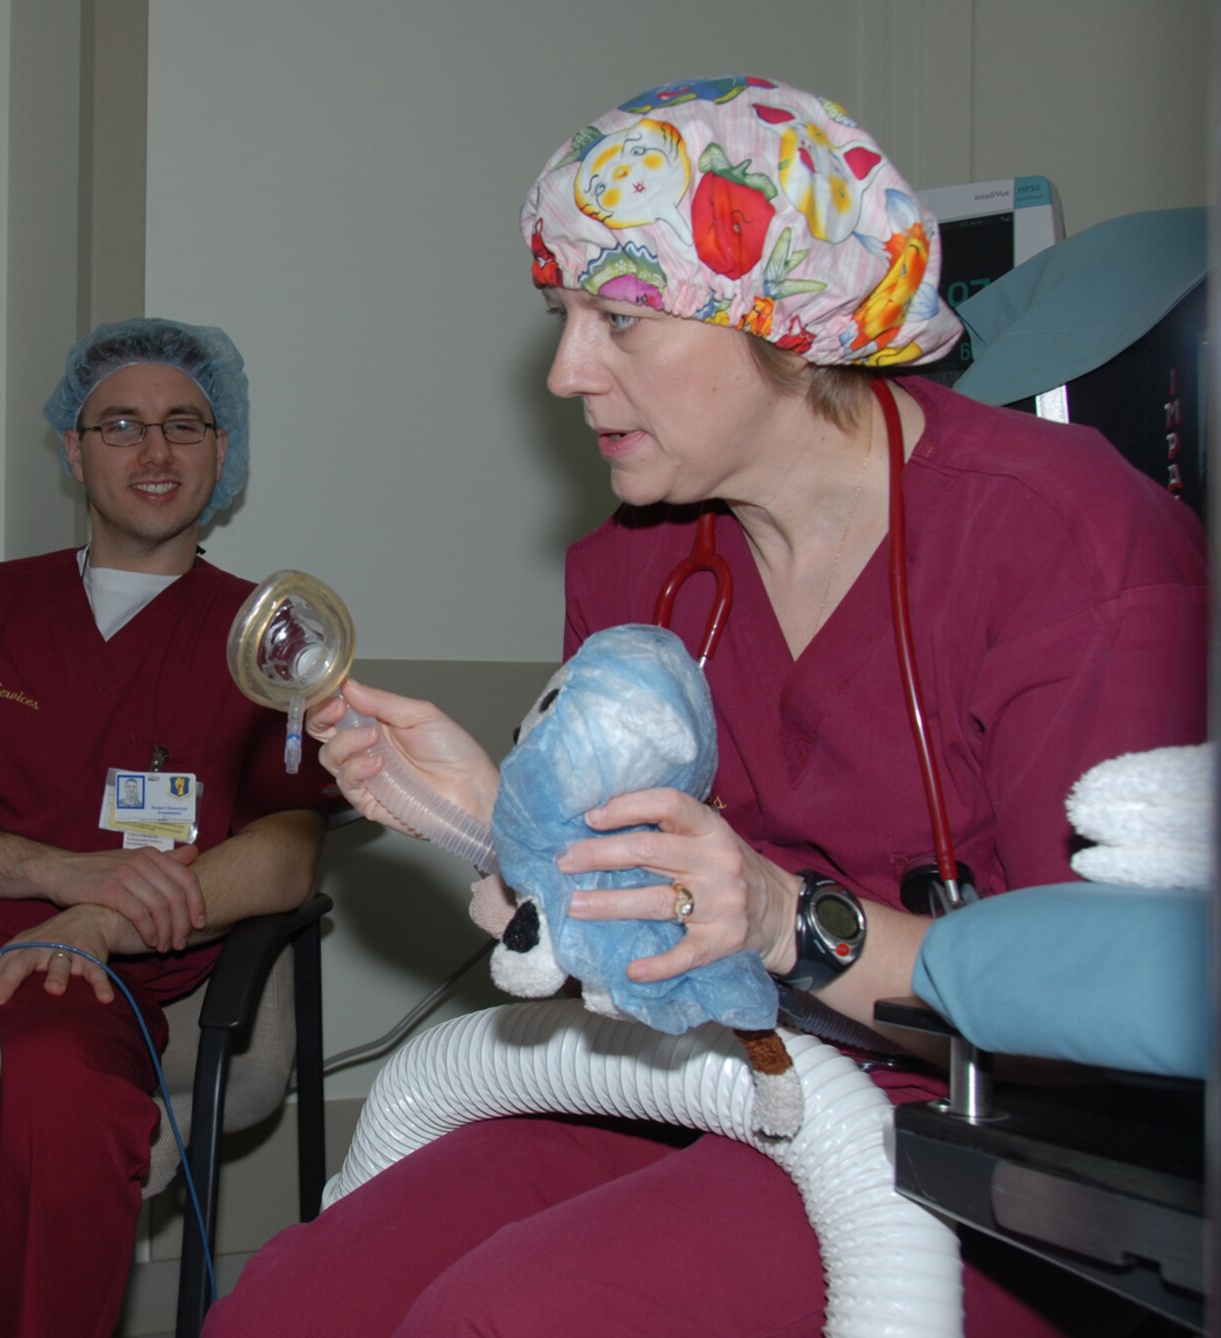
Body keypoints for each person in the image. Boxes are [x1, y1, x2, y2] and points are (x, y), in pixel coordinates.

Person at [205, 76, 1208, 1337]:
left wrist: (795, 919)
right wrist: (484, 817)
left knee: (514, 1317)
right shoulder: (634, 568)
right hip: (706, 1089)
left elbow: (1118, 1027)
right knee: (297, 1303)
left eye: (617, 318)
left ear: (783, 319)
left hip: (995, 1160)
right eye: (559, 315)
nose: (567, 371)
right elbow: (629, 941)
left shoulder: (1065, 541)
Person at [0, 317, 335, 1337]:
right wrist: (62, 872)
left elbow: (286, 855)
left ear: (221, 451)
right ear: (72, 447)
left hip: (74, 981)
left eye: (183, 426)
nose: (154, 453)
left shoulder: (268, 640)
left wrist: (100, 922)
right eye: (119, 426)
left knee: (55, 1084)